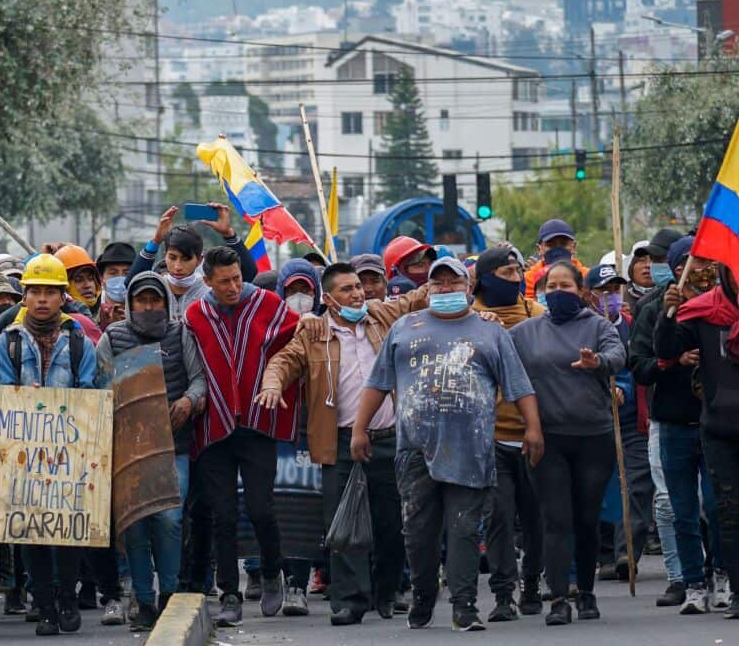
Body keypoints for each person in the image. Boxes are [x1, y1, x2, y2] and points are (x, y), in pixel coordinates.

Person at [353, 256, 541, 633]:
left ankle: (464, 607)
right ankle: (423, 594)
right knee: (418, 533)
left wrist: (532, 429)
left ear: (468, 289)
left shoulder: (491, 332)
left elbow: (519, 386)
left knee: (465, 530)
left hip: (471, 451)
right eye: (437, 284)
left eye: (452, 283)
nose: (444, 289)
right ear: (428, 290)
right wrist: (360, 429)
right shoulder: (405, 327)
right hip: (415, 451)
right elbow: (378, 383)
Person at [261, 262, 428, 626]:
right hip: (337, 442)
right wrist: (272, 384)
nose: (357, 294)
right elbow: (283, 362)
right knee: (344, 524)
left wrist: (457, 286)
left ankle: (385, 591)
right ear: (328, 299)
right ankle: (350, 601)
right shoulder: (313, 333)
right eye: (347, 289)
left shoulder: (381, 316)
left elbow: (419, 298)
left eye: (358, 287)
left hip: (389, 439)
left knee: (391, 524)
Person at [183, 247, 299, 627]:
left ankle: (270, 573)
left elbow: (297, 341)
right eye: (224, 282)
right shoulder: (195, 314)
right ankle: (229, 594)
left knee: (262, 509)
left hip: (256, 423)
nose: (233, 287)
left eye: (237, 278)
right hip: (213, 425)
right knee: (223, 516)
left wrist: (314, 322)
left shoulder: (268, 303)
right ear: (207, 282)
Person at [509, 259, 626, 626]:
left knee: (586, 519)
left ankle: (587, 593)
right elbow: (500, 362)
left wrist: (599, 363)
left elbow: (617, 357)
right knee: (555, 520)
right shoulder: (525, 332)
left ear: (582, 292)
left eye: (566, 286)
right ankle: (559, 597)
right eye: (552, 286)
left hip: (594, 436)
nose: (558, 292)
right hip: (547, 439)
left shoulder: (598, 326)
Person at [95, 272, 206, 631]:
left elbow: (199, 378)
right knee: (136, 525)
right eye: (142, 300)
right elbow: (99, 385)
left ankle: (169, 595)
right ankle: (144, 602)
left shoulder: (180, 333)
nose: (149, 306)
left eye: (155, 300)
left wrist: (190, 401)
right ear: (130, 303)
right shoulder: (112, 337)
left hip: (174, 445)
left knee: (170, 520)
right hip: (130, 451)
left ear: (165, 302)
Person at [0, 254, 98, 636]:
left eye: (49, 292)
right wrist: (24, 395)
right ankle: (43, 606)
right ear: (24, 297)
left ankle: (67, 600)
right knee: (31, 531)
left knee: (67, 528)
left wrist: (60, 404)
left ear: (62, 297)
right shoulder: (8, 341)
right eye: (35, 291)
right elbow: (1, 390)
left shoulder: (78, 341)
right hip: (23, 449)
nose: (42, 299)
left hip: (67, 449)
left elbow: (89, 390)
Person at [630, 237, 721, 612]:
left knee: (718, 508)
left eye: (704, 264)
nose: (696, 271)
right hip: (672, 421)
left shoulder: (724, 306)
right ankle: (689, 581)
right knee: (678, 506)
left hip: (717, 423)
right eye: (689, 264)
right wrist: (672, 359)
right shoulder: (654, 307)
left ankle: (725, 575)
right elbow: (643, 365)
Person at [468, 247, 547, 621]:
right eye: (506, 271)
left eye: (518, 271)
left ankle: (532, 584)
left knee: (536, 516)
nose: (515, 278)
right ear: (484, 278)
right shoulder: (467, 320)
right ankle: (503, 595)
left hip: (534, 434)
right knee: (499, 517)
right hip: (489, 437)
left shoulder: (537, 314)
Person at [657, 262, 739, 619]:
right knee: (728, 514)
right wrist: (667, 314)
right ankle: (737, 592)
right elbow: (665, 350)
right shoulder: (705, 311)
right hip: (720, 428)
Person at [585, 263, 654, 584]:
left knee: (637, 483)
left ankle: (627, 550)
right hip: (592, 421)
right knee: (600, 485)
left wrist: (624, 390)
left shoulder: (631, 324)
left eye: (616, 289)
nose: (611, 296)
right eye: (604, 291)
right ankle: (602, 553)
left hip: (631, 422)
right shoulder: (581, 328)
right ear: (589, 295)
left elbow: (637, 363)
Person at [127, 204, 258, 319]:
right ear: (165, 255)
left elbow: (249, 273)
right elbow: (131, 283)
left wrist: (229, 233)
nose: (178, 266)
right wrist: (156, 241)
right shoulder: (155, 286)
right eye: (172, 258)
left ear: (199, 260)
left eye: (186, 259)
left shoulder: (210, 289)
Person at [523, 220, 588, 301]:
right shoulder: (527, 280)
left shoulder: (587, 276)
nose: (558, 249)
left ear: (573, 247)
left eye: (563, 244)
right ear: (539, 249)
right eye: (550, 245)